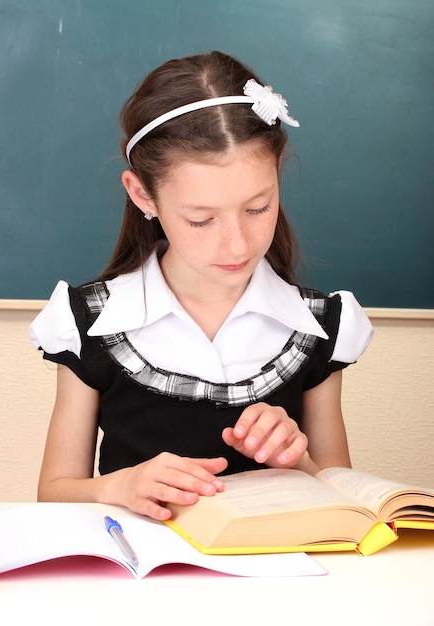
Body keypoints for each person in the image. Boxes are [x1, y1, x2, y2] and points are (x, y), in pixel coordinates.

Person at [29, 50, 373, 522]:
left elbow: (344, 503)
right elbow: (54, 492)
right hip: (137, 585)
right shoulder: (88, 322)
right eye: (200, 219)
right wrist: (121, 485)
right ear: (141, 194)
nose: (236, 244)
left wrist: (299, 460)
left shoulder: (319, 327)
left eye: (258, 208)